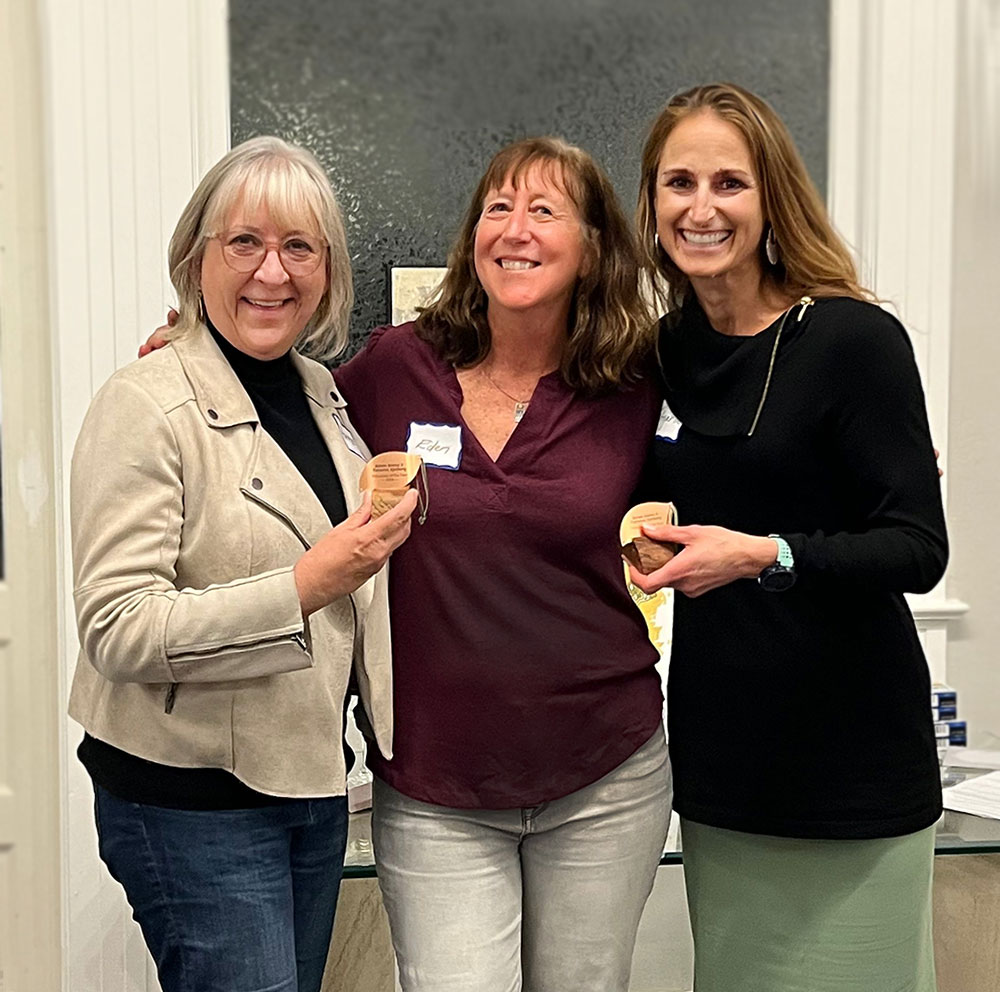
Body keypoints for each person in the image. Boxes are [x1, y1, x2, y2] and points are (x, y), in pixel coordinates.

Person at [69, 136, 417, 992]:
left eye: (299, 246)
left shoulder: (322, 394)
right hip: (191, 802)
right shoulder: (144, 403)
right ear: (197, 258)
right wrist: (307, 586)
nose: (273, 272)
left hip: (307, 787)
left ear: (328, 271)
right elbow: (118, 628)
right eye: (245, 243)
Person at [629, 82, 948, 992]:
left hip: (851, 762)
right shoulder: (664, 352)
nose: (701, 207)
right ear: (651, 204)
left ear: (772, 197)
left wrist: (766, 553)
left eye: (729, 183)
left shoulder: (853, 340)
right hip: (725, 761)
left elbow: (918, 549)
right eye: (677, 182)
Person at [334, 137, 671, 992]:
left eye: (545, 210)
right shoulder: (394, 368)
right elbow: (284, 410)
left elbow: (754, 433)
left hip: (606, 775)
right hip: (436, 785)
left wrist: (854, 452)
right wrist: (197, 346)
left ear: (593, 244)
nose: (515, 230)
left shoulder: (635, 380)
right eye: (498, 208)